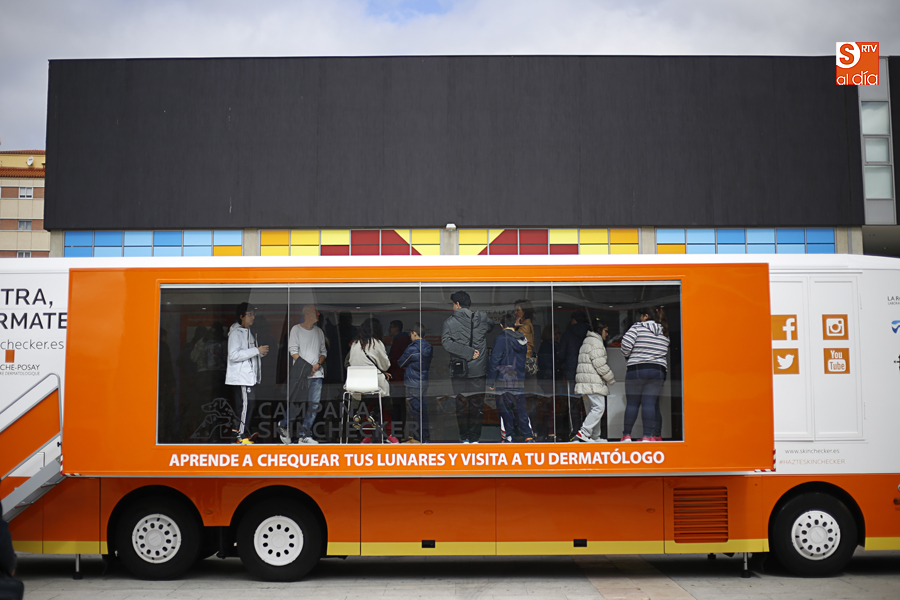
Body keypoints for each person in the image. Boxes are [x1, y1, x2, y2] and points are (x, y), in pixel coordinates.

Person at [441, 290, 495, 443]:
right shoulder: (482, 317)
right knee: (477, 407)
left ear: (457, 304)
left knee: (461, 406)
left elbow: (446, 343)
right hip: (478, 371)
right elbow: (491, 327)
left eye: (453, 305)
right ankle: (475, 438)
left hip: (459, 372)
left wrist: (467, 352)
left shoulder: (449, 322)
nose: (452, 308)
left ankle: (464, 438)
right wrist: (472, 352)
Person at [278, 304, 327, 445]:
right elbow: (293, 351)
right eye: (315, 312)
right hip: (301, 376)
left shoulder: (319, 332)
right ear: (307, 313)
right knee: (297, 405)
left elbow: (324, 352)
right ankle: (284, 425)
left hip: (317, 375)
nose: (318, 314)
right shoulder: (296, 330)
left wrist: (317, 365)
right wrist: (307, 368)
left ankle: (304, 435)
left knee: (314, 406)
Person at [620, 306, 669, 442]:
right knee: (649, 404)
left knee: (632, 404)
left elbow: (625, 346)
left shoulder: (637, 327)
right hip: (657, 370)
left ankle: (627, 436)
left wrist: (628, 356)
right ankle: (647, 436)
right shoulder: (664, 331)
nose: (639, 318)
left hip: (637, 369)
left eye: (641, 315)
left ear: (646, 316)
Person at [347, 318, 398, 443]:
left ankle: (367, 435)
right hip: (374, 385)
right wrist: (381, 371)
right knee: (384, 406)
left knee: (367, 406)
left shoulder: (354, 344)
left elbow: (352, 363)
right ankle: (389, 434)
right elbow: (385, 365)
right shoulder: (376, 343)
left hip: (357, 385)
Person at [225, 304, 269, 444]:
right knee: (245, 406)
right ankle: (240, 436)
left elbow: (249, 354)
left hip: (249, 378)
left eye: (253, 314)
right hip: (241, 378)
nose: (253, 317)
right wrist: (256, 351)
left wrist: (259, 353)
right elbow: (233, 355)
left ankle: (240, 434)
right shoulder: (236, 333)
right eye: (249, 314)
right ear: (241, 316)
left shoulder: (248, 332)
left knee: (246, 406)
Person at [488, 313, 533, 443]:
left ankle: (508, 436)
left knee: (504, 410)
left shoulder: (501, 339)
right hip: (518, 379)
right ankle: (528, 435)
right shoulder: (522, 340)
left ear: (501, 325)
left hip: (503, 380)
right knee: (520, 409)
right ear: (515, 324)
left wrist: (491, 381)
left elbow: (494, 360)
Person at [573, 321, 616, 442]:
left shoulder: (588, 341)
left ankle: (594, 436)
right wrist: (611, 378)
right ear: (599, 330)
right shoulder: (596, 342)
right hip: (593, 381)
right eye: (606, 331)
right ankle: (584, 432)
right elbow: (600, 364)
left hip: (586, 381)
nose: (607, 334)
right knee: (599, 407)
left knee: (592, 409)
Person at [396, 323, 433, 443]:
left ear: (414, 333)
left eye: (411, 334)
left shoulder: (412, 348)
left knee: (415, 412)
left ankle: (417, 439)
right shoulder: (428, 347)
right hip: (423, 381)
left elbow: (400, 363)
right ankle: (425, 437)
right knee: (423, 411)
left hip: (413, 382)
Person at [514, 299, 537, 375]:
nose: (515, 313)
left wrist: (514, 327)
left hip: (524, 360)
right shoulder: (526, 325)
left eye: (518, 310)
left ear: (525, 311)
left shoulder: (525, 327)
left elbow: (512, 340)